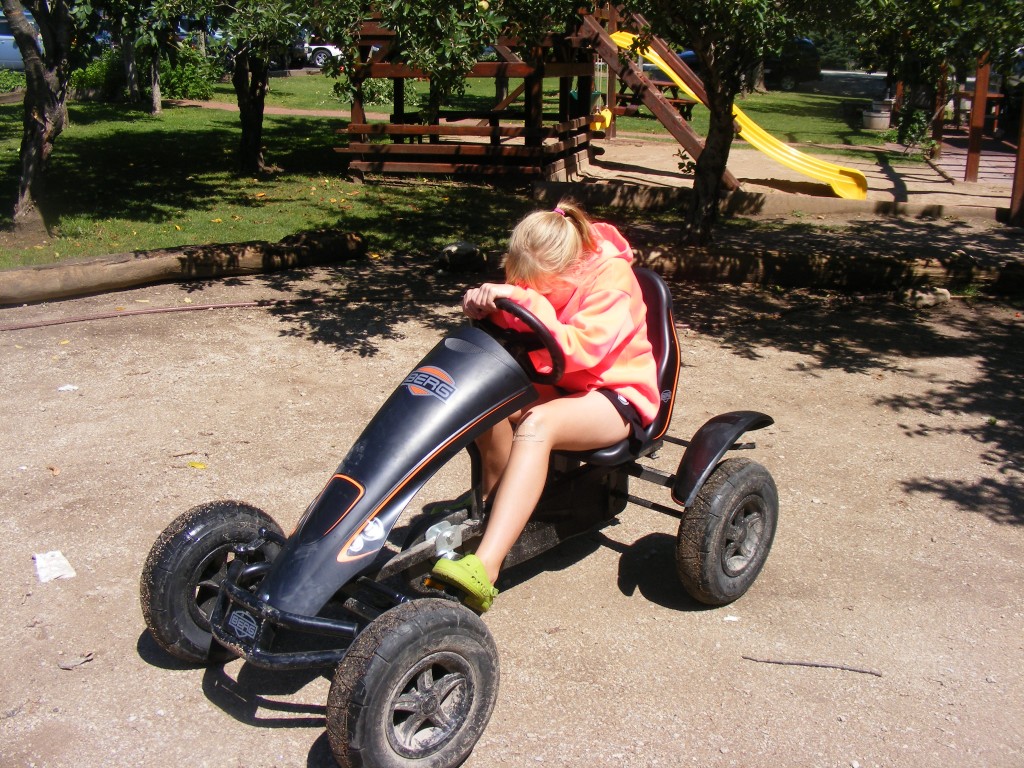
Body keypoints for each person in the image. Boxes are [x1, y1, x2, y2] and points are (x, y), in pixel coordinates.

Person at [431, 199, 660, 612]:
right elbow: (522, 316)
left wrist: (528, 303)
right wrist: (485, 304)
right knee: (486, 401)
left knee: (537, 424)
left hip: (616, 394)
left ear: (572, 269)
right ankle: (493, 508)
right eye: (522, 281)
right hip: (562, 386)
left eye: (542, 287)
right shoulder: (551, 273)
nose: (532, 291)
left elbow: (579, 352)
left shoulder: (613, 279)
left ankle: (486, 567)